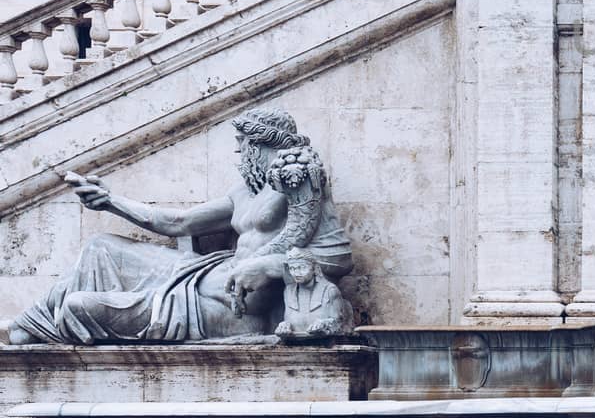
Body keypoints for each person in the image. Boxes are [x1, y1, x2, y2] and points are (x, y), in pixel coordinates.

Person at [3, 108, 353, 345]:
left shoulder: (300, 181)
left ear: (258, 144)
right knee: (100, 247)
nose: (238, 154)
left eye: (241, 145)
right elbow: (178, 221)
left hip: (227, 310)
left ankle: (40, 327)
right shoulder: (246, 190)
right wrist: (110, 201)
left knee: (81, 306)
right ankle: (27, 325)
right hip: (200, 275)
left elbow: (338, 258)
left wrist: (269, 265)